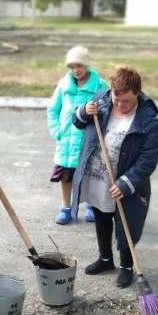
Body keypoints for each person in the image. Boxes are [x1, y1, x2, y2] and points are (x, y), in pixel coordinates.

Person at [70, 67, 158, 287]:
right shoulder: (101, 101)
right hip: (99, 177)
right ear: (111, 90)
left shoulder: (147, 121)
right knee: (101, 216)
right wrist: (83, 111)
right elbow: (77, 122)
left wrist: (126, 182)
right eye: (116, 98)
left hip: (126, 183)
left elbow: (148, 159)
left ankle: (126, 267)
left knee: (126, 223)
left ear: (137, 94)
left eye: (126, 102)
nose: (119, 105)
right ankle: (105, 259)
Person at [47, 46, 107, 225]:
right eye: (71, 67)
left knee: (89, 174)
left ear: (87, 65)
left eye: (79, 66)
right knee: (65, 174)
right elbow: (53, 110)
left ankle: (90, 206)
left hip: (88, 140)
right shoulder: (64, 85)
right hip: (66, 140)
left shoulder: (99, 85)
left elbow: (105, 112)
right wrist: (57, 131)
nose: (75, 70)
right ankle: (65, 208)